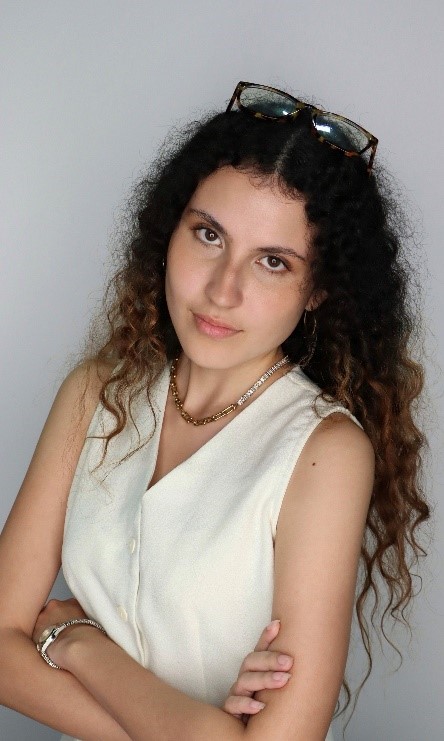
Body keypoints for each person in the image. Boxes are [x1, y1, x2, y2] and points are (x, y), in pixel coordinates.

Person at [0, 81, 429, 741]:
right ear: (169, 228)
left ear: (318, 289)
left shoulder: (326, 452)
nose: (223, 290)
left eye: (273, 262)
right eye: (208, 234)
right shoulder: (95, 393)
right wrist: (197, 731)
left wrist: (76, 641)